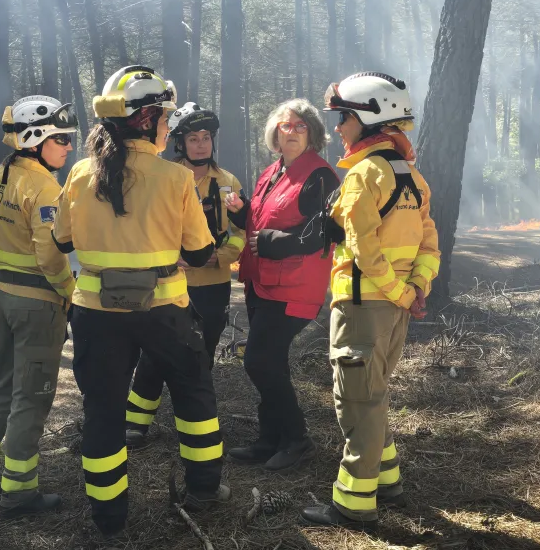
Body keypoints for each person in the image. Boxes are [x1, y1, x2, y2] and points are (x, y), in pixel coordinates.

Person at [52, 66, 229, 537]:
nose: (169, 125)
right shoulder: (175, 178)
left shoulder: (80, 173)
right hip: (166, 310)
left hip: (95, 314)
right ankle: (205, 491)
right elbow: (197, 251)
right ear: (148, 118)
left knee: (103, 410)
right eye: (166, 117)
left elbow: (63, 241)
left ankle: (109, 519)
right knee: (193, 395)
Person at [300, 72, 439, 528]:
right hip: (395, 310)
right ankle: (388, 480)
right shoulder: (411, 175)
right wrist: (415, 290)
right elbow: (429, 244)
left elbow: (363, 248)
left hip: (362, 307)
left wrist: (400, 291)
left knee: (356, 401)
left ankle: (353, 505)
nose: (337, 128)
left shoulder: (364, 175)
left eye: (342, 117)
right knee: (373, 394)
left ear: (368, 117)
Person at [0, 96, 78, 517]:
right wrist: (69, 291)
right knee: (32, 398)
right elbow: (49, 254)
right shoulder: (45, 186)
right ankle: (19, 493)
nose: (68, 147)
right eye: (60, 138)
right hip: (37, 304)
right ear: (35, 138)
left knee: (0, 390)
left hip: (2, 296)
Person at [223, 99, 341, 472]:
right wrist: (242, 212)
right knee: (269, 362)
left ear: (313, 134)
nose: (289, 133)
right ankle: (269, 438)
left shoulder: (320, 175)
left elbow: (325, 231)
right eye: (284, 126)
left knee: (259, 360)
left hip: (294, 286)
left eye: (299, 127)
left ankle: (296, 439)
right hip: (261, 282)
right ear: (274, 132)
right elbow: (259, 223)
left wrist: (277, 241)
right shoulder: (272, 172)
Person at [124, 102, 246, 448]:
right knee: (155, 355)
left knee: (200, 357)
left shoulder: (228, 183)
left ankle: (196, 425)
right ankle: (135, 424)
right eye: (193, 138)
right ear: (180, 143)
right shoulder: (162, 176)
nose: (201, 145)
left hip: (212, 285)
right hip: (168, 284)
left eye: (206, 137)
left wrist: (218, 257)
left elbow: (240, 231)